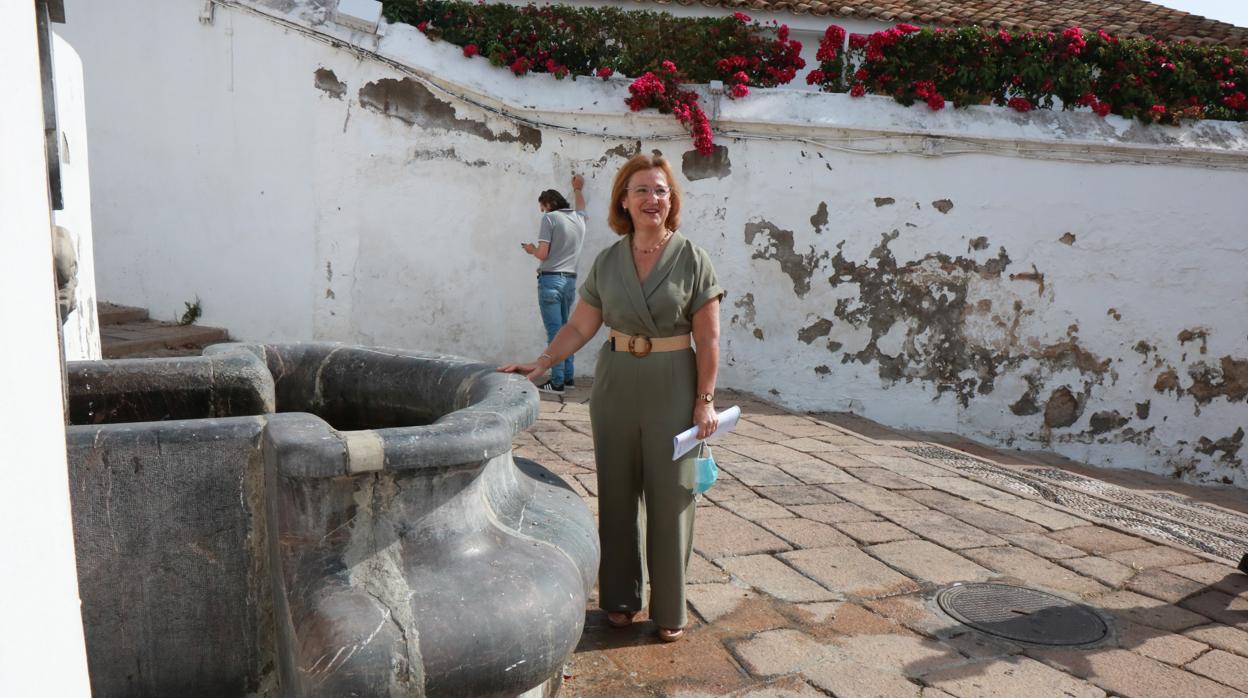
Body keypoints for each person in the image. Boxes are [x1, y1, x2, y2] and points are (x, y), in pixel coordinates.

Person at [500, 154, 724, 642]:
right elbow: (582, 325)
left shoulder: (692, 258)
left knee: (672, 496)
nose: (652, 199)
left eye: (661, 190)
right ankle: (621, 598)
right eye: (641, 190)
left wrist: (704, 400)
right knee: (617, 493)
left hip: (673, 382)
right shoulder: (609, 260)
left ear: (672, 200)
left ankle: (669, 606)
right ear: (624, 200)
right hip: (616, 383)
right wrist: (541, 363)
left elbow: (708, 340)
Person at [521, 175, 588, 394]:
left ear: (548, 204)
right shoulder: (579, 218)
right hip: (569, 281)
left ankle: (557, 382)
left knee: (555, 334)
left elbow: (543, 253)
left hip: (550, 279)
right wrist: (578, 189)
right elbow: (581, 206)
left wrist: (531, 249)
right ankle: (568, 378)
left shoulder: (550, 219)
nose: (543, 212)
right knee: (566, 331)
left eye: (543, 207)